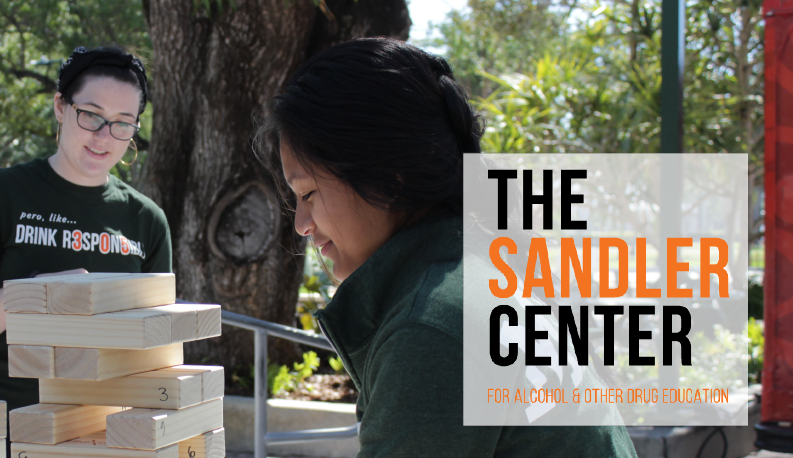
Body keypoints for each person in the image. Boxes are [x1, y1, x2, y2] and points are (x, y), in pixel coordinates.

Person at [258, 37, 638, 457]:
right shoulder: (480, 274)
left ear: (388, 176)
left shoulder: (430, 327)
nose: (302, 224)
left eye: (308, 192)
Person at [0, 46, 173, 409]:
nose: (104, 136)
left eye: (123, 122)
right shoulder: (0, 193)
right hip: (4, 424)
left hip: (105, 433)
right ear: (60, 106)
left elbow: (158, 350)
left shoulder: (147, 221)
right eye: (91, 115)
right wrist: (36, 294)